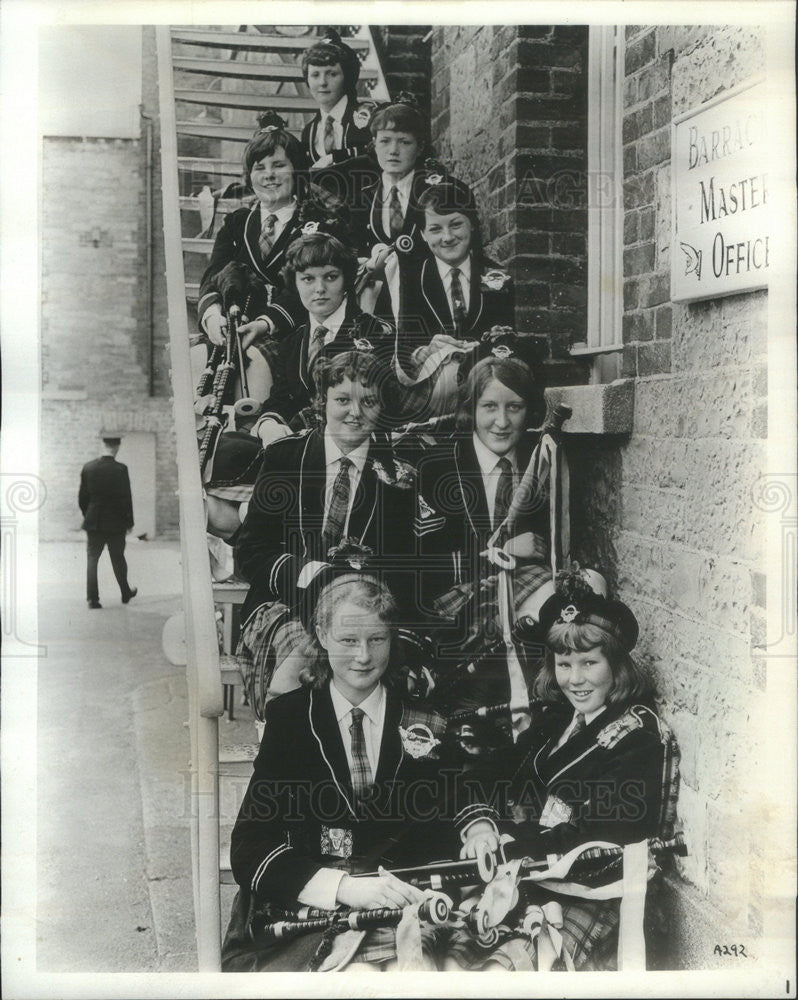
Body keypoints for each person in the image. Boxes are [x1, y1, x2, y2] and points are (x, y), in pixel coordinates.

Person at [445, 570, 680, 971]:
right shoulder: (557, 720)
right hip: (533, 875)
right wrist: (480, 825)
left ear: (616, 664)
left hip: (599, 889)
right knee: (451, 961)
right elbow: (486, 774)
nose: (575, 679)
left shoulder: (638, 734)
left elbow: (602, 831)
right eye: (564, 663)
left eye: (589, 662)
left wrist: (507, 846)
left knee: (500, 974)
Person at [222, 573, 454, 971]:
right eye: (348, 640)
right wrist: (345, 888)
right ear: (322, 634)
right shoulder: (292, 719)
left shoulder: (425, 722)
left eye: (376, 640)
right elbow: (250, 847)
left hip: (400, 904)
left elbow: (441, 831)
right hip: (305, 912)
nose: (363, 656)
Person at [235, 349, 417, 700]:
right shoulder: (285, 458)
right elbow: (251, 554)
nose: (355, 412)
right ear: (322, 401)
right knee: (297, 667)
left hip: (361, 609)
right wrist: (313, 575)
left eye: (369, 401)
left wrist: (354, 590)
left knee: (360, 656)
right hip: (284, 601)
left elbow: (404, 564)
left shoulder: (398, 475)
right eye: (342, 399)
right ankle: (280, 737)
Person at [412, 351, 550, 710]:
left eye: (514, 408)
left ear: (529, 411)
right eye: (489, 407)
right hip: (459, 605)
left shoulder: (543, 462)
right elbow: (427, 564)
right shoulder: (439, 466)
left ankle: (535, 713)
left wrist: (539, 547)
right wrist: (505, 552)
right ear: (471, 410)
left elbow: (558, 541)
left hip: (521, 600)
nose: (501, 422)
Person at [195, 111, 312, 409]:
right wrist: (213, 317)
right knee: (196, 366)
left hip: (283, 330)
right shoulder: (237, 223)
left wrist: (264, 324)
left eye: (279, 165)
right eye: (260, 168)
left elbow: (307, 289)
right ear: (250, 175)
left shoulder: (312, 224)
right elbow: (212, 276)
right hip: (232, 325)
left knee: (254, 365)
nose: (269, 175)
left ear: (296, 171)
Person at [251, 230, 393, 446]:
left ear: (346, 279)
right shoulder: (292, 342)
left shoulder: (374, 334)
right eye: (308, 279)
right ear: (295, 283)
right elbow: (280, 400)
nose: (320, 289)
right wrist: (268, 425)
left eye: (330, 277)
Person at [394, 178, 515, 420]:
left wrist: (482, 348)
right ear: (423, 235)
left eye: (455, 225)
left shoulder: (496, 276)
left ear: (471, 225)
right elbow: (402, 347)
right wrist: (427, 350)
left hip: (483, 392)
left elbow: (506, 335)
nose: (447, 237)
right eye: (436, 229)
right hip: (429, 395)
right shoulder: (411, 278)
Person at [299, 29, 374, 168]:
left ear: (347, 77)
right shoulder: (309, 132)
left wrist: (335, 158)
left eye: (332, 74)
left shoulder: (367, 117)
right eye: (315, 75)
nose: (322, 82)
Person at [78, 435, 137, 609]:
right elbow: (126, 498)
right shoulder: (121, 469)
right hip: (116, 523)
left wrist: (88, 515)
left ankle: (92, 599)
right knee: (118, 558)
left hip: (94, 521)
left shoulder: (88, 467)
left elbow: (82, 498)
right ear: (117, 447)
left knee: (92, 560)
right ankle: (125, 592)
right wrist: (129, 522)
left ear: (103, 446)